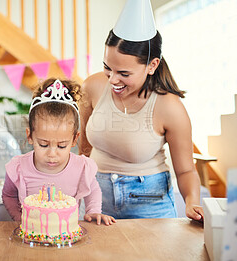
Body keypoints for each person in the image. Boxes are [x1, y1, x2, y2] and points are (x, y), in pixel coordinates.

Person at [79, 0, 203, 221]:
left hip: (149, 200)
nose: (113, 80)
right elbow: (84, 148)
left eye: (124, 74)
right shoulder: (92, 87)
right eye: (107, 68)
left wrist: (192, 202)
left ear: (152, 66)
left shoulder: (170, 108)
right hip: (97, 198)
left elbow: (186, 171)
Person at [2, 78, 116, 225]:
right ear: (30, 136)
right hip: (31, 237)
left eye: (61, 146)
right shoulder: (18, 167)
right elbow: (8, 195)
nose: (52, 154)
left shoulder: (81, 167)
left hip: (68, 238)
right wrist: (19, 218)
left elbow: (93, 190)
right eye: (43, 144)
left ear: (75, 139)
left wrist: (93, 210)